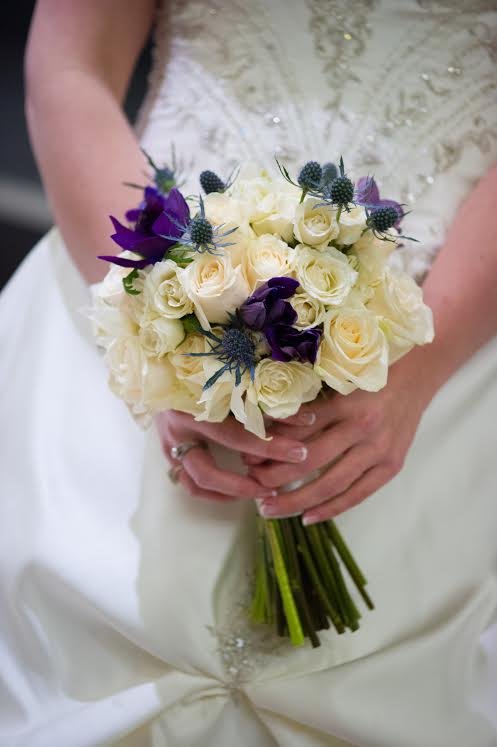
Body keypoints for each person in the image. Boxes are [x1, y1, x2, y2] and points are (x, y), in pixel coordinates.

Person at [1, 1, 496, 745]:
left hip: (446, 323)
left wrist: (414, 375)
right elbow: (71, 65)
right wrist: (157, 335)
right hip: (138, 257)